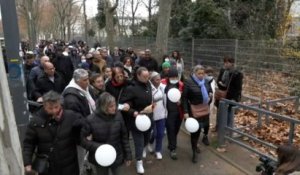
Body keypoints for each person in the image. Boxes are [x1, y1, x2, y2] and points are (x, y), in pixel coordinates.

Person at [23, 91, 82, 175]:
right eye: (50, 108)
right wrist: (27, 162)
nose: (54, 110)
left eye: (56, 107)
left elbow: (82, 131)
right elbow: (28, 144)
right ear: (44, 106)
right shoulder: (35, 121)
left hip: (69, 166)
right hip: (49, 167)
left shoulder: (70, 116)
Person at [80, 92, 132, 175]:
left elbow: (124, 137)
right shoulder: (90, 120)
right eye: (111, 106)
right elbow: (83, 141)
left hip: (117, 155)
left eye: (115, 105)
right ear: (103, 107)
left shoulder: (118, 115)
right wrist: (100, 147)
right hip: (100, 158)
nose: (114, 108)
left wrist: (128, 155)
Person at [119, 67, 153, 174]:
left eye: (148, 76)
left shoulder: (148, 84)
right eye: (144, 77)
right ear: (138, 76)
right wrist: (133, 112)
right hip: (136, 120)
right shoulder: (131, 88)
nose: (147, 78)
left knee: (147, 138)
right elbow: (122, 105)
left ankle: (143, 149)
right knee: (139, 142)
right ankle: (139, 162)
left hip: (148, 118)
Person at [183, 65, 212, 163]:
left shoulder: (206, 81)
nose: (201, 75)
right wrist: (186, 112)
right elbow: (184, 98)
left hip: (204, 109)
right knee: (195, 132)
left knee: (206, 126)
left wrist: (210, 96)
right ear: (194, 73)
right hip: (193, 110)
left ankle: (203, 138)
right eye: (199, 73)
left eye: (203, 73)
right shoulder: (188, 82)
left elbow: (210, 91)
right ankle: (194, 151)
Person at [214, 56, 243, 131]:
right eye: (224, 62)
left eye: (227, 62)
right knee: (219, 111)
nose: (225, 64)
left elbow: (238, 87)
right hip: (221, 94)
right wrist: (221, 84)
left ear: (232, 63)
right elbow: (218, 81)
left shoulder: (237, 73)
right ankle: (218, 127)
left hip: (231, 96)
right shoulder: (222, 70)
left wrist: (235, 98)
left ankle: (228, 130)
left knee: (229, 112)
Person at [161, 68, 184, 160]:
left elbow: (185, 96)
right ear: (168, 77)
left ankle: (172, 143)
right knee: (170, 129)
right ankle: (172, 148)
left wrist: (181, 101)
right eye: (172, 77)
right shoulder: (163, 84)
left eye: (176, 77)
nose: (174, 78)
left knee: (176, 130)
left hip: (179, 111)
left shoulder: (181, 84)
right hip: (168, 112)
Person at [149, 72, 167, 160]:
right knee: (154, 133)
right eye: (157, 79)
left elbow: (167, 98)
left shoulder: (163, 87)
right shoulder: (148, 88)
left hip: (161, 113)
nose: (159, 81)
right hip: (152, 114)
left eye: (160, 79)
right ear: (152, 80)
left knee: (161, 133)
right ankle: (149, 142)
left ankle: (158, 150)